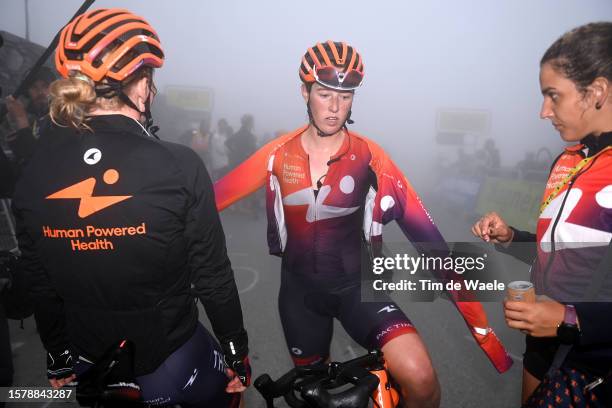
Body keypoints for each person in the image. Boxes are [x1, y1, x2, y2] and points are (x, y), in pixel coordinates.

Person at [215, 40, 512, 407]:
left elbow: (429, 241)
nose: (335, 107)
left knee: (420, 376)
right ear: (304, 92)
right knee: (313, 397)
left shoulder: (371, 156)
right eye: (325, 94)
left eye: (346, 96)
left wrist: (485, 336)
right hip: (299, 298)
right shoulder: (277, 154)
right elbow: (207, 201)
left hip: (357, 288)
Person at [11, 8, 249, 407]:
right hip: (169, 355)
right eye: (150, 80)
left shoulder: (33, 172)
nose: (152, 92)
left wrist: (57, 357)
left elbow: (40, 281)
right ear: (139, 85)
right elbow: (212, 276)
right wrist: (235, 351)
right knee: (229, 396)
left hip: (89, 361)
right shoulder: (179, 164)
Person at [473, 22, 612, 406]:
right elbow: (563, 251)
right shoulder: (566, 160)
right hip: (544, 347)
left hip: (597, 364)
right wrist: (511, 239)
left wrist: (572, 320)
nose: (542, 111)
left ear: (597, 91)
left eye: (553, 96)